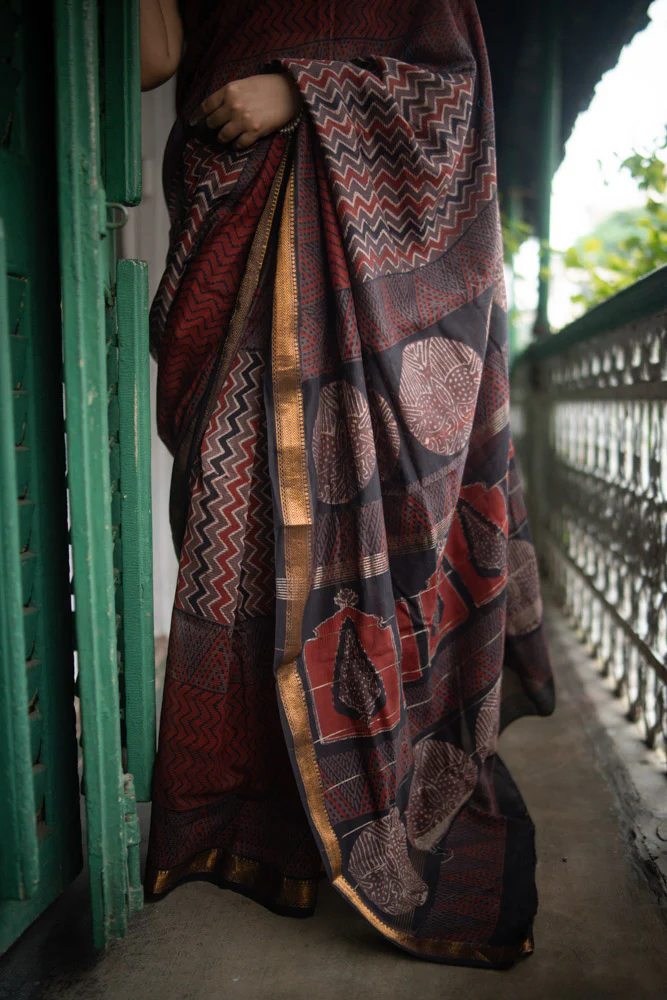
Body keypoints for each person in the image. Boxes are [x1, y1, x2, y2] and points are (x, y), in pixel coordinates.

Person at [141, 0, 555, 968]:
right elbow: (157, 59)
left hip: (354, 252)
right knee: (233, 529)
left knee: (357, 535)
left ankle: (364, 796)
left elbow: (452, 96)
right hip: (230, 209)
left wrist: (301, 94)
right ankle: (242, 816)